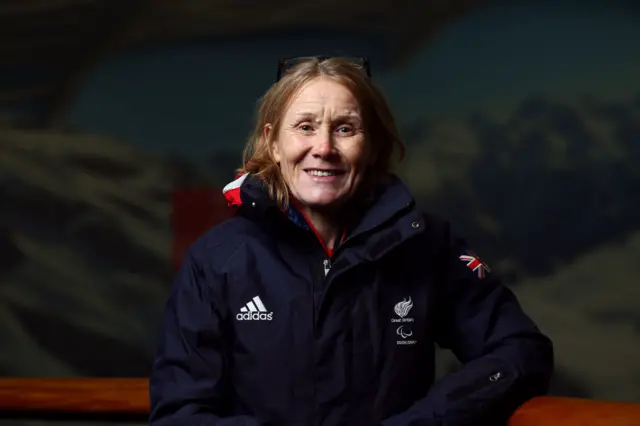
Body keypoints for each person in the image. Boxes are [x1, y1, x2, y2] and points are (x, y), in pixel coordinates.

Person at [149, 56, 554, 426]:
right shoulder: (217, 260)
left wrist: (426, 421)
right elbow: (178, 414)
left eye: (345, 128)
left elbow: (521, 351)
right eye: (305, 127)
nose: (323, 148)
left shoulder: (429, 245)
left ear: (373, 145)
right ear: (273, 143)